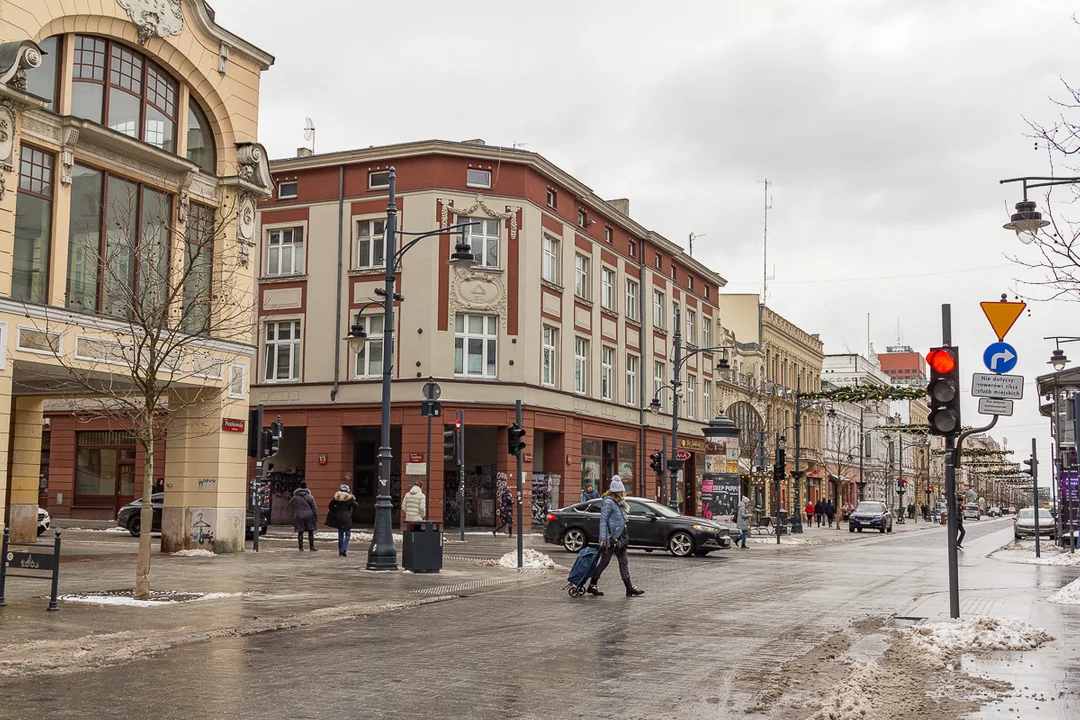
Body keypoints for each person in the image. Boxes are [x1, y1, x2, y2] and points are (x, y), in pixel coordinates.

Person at [586, 476, 644, 597]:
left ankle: (629, 588)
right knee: (604, 562)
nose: (623, 494)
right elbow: (603, 521)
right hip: (610, 539)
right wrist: (603, 538)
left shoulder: (618, 503)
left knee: (624, 562)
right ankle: (592, 585)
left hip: (620, 538)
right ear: (616, 492)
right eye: (621, 492)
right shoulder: (608, 502)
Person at [328, 484, 359, 556]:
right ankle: (344, 549)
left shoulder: (337, 497)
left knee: (340, 535)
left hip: (338, 517)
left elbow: (330, 505)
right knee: (347, 534)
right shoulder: (349, 498)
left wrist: (335, 510)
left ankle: (340, 551)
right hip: (347, 518)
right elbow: (356, 505)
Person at [290, 481, 318, 552]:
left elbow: (290, 505)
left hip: (299, 515)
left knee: (300, 532)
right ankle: (311, 547)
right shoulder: (310, 496)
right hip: (309, 515)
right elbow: (314, 507)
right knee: (310, 532)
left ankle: (301, 548)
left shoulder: (295, 497)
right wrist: (316, 516)